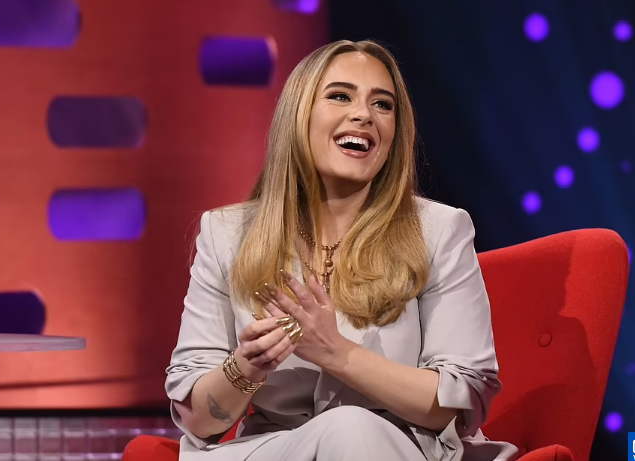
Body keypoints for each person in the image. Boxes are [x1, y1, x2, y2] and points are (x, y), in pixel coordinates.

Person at [165, 39, 519, 461]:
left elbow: (462, 403)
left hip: (398, 449)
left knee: (349, 428)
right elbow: (200, 421)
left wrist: (337, 353)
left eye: (383, 105)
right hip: (279, 451)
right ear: (299, 114)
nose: (364, 115)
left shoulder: (439, 230)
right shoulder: (227, 234)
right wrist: (246, 367)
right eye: (340, 96)